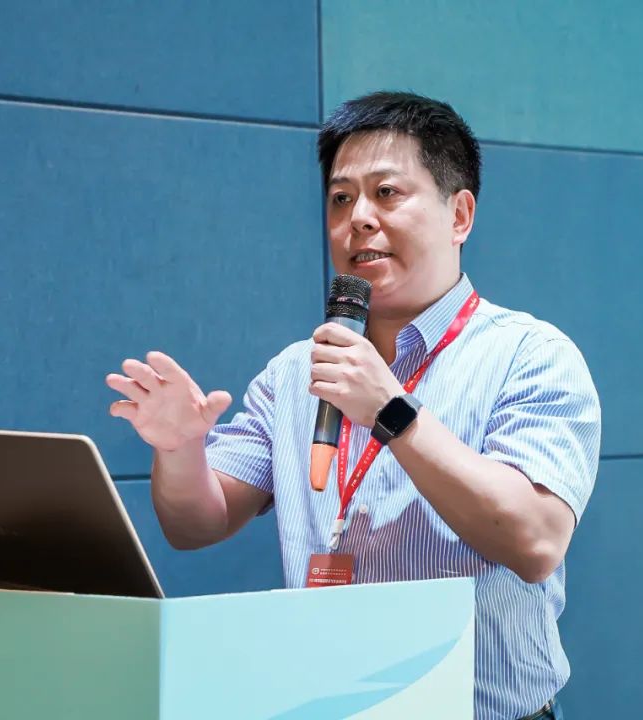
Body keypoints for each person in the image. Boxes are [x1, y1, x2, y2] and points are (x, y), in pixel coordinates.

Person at [106, 91, 600, 720]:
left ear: (459, 215)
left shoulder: (530, 355)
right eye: (341, 199)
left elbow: (535, 540)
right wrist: (180, 449)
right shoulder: (297, 371)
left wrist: (391, 411)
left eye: (387, 193)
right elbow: (196, 523)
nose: (359, 218)